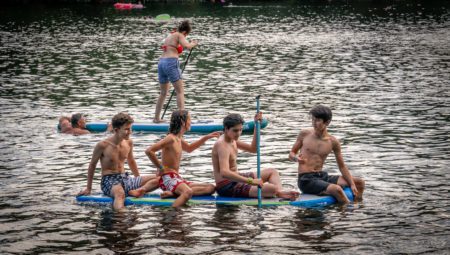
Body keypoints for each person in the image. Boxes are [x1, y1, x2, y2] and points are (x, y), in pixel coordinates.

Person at [131, 110, 220, 208]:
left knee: (211, 188)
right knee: (187, 192)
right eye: (189, 119)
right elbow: (149, 151)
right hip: (168, 178)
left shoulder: (179, 139)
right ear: (183, 122)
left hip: (176, 178)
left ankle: (173, 194)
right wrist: (160, 168)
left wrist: (206, 138)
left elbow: (189, 149)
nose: (191, 122)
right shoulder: (171, 138)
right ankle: (172, 214)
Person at [78, 112, 160, 211]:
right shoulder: (102, 145)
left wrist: (138, 179)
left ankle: (138, 191)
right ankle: (120, 220)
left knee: (160, 178)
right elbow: (92, 165)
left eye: (130, 128)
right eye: (126, 129)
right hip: (109, 181)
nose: (130, 132)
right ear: (116, 130)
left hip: (126, 178)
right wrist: (88, 188)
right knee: (120, 194)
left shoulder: (129, 143)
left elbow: (131, 161)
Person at [212, 113, 299, 200]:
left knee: (272, 172)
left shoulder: (232, 139)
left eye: (240, 130)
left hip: (236, 178)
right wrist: (251, 181)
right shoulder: (222, 145)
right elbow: (224, 173)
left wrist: (256, 126)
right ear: (226, 129)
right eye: (235, 131)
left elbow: (253, 149)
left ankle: (279, 193)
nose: (239, 134)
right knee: (272, 188)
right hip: (226, 186)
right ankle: (277, 192)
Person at [289, 105, 365, 203]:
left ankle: (359, 204)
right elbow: (291, 154)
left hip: (321, 176)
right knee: (336, 189)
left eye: (317, 121)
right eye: (313, 120)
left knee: (359, 183)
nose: (314, 124)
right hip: (306, 179)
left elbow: (342, 166)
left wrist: (352, 184)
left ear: (327, 122)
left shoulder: (333, 142)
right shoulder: (304, 134)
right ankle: (349, 212)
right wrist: (296, 158)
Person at [153, 20, 198, 123]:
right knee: (180, 91)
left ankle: (156, 118)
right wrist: (193, 43)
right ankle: (182, 120)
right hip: (171, 62)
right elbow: (187, 45)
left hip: (161, 63)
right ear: (185, 32)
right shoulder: (179, 35)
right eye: (186, 35)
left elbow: (173, 50)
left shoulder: (170, 35)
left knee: (163, 93)